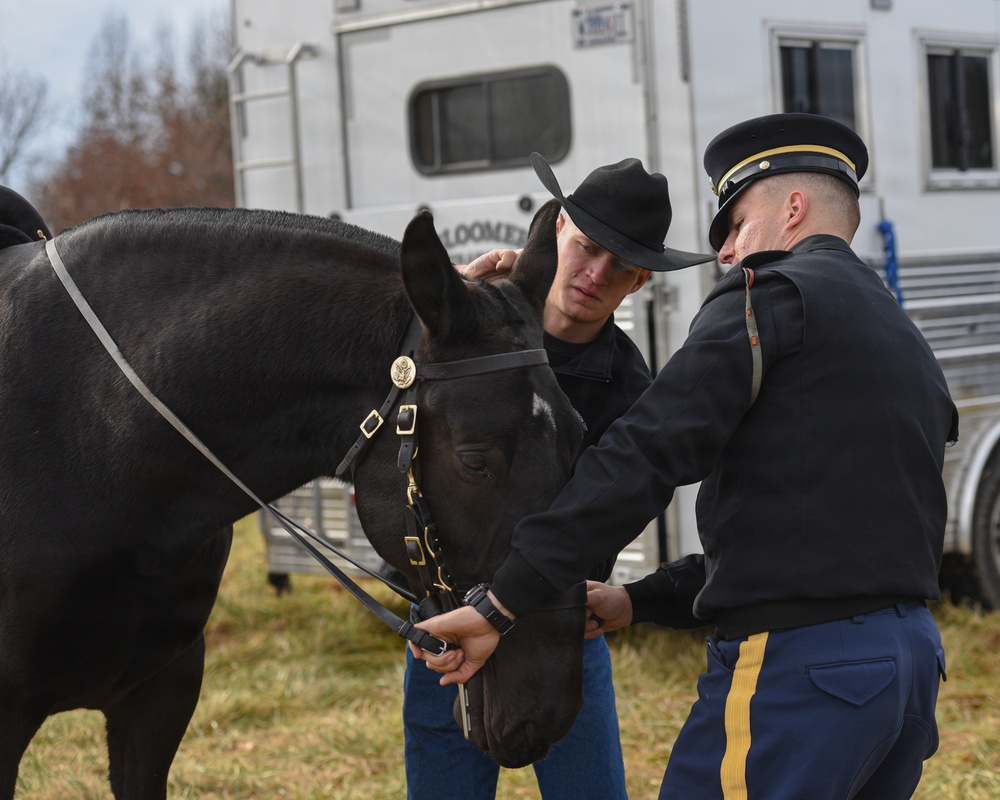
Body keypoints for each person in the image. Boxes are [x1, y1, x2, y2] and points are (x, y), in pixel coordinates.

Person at [411, 114, 960, 800]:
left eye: (733, 226)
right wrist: (638, 601)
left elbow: (643, 455)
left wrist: (501, 603)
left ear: (792, 210)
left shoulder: (767, 296)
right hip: (906, 670)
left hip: (800, 676)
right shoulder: (897, 332)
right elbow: (804, 531)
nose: (727, 252)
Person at [401, 153, 714, 800]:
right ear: (557, 230)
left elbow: (601, 524)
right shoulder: (470, 322)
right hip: (446, 617)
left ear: (639, 285)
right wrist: (430, 319)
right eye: (588, 247)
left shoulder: (632, 392)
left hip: (555, 624)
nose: (596, 275)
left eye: (621, 266)